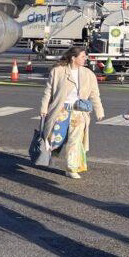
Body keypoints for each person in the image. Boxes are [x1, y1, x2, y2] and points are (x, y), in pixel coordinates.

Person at [39, 45, 105, 179]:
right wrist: (44, 107)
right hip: (60, 111)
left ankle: (71, 168)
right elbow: (48, 91)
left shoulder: (88, 74)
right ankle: (51, 156)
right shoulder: (58, 71)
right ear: (73, 58)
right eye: (82, 56)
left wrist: (99, 110)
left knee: (75, 141)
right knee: (56, 138)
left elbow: (94, 94)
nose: (85, 59)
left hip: (78, 112)